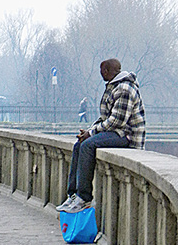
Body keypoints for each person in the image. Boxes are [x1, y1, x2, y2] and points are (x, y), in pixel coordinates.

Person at [56, 59, 145, 213]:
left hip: (127, 135)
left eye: (102, 70)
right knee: (79, 144)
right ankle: (73, 194)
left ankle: (84, 197)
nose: (100, 73)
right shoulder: (113, 87)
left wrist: (92, 134)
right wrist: (89, 132)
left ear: (106, 71)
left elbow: (117, 121)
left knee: (88, 145)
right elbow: (105, 117)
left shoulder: (124, 89)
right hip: (115, 131)